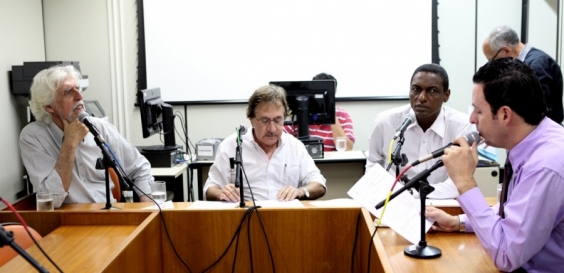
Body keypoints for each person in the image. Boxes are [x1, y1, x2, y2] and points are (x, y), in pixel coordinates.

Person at [426, 58, 564, 272]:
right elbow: (515, 212)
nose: (472, 119)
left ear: (505, 115)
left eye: (478, 111)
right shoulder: (536, 138)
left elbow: (506, 255)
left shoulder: (544, 166)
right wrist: (459, 222)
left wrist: (464, 181)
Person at [20, 65, 153, 208]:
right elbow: (53, 199)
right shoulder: (33, 137)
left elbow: (139, 168)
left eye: (79, 88)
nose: (80, 96)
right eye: (68, 92)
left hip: (111, 214)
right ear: (49, 107)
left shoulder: (99, 126)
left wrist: (147, 208)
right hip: (68, 221)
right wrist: (70, 143)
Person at [366, 64, 474, 199]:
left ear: (446, 95)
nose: (422, 97)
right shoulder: (386, 122)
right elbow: (373, 166)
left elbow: (459, 182)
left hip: (442, 206)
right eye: (416, 89)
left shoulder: (462, 126)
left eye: (432, 91)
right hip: (393, 203)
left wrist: (412, 195)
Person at [204, 84, 326, 202]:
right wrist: (221, 193)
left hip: (286, 217)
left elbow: (319, 184)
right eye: (265, 120)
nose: (272, 128)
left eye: (278, 120)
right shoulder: (231, 145)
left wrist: (301, 191)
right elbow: (210, 188)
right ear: (251, 119)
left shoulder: (295, 146)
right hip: (245, 216)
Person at [483, 25, 563, 124]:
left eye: (492, 60)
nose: (493, 65)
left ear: (506, 50)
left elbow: (538, 111)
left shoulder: (536, 65)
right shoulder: (526, 63)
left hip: (544, 134)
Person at [283, 73, 355, 151]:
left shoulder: (343, 116)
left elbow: (347, 148)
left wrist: (331, 115)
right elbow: (280, 142)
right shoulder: (299, 113)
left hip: (330, 162)